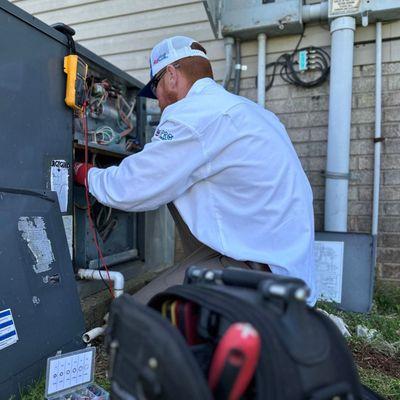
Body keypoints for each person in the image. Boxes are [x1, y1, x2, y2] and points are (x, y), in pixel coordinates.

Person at [74, 36, 317, 305]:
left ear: (171, 75)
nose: (157, 100)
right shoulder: (251, 112)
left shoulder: (192, 114)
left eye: (155, 88)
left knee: (131, 316)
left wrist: (84, 172)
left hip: (255, 278)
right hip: (283, 270)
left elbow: (131, 187)